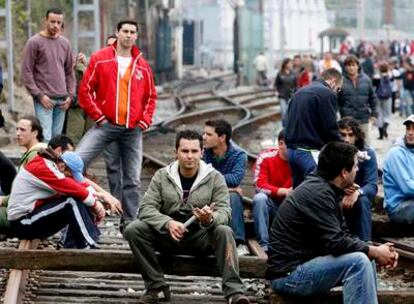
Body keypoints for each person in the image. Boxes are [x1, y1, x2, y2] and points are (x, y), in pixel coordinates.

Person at [124, 130, 250, 304]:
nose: (189, 156)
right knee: (133, 229)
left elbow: (225, 213)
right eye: (184, 151)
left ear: (201, 153)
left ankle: (234, 292)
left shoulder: (215, 178)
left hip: (201, 238)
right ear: (176, 152)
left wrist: (210, 218)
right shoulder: (162, 175)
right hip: (169, 236)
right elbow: (145, 208)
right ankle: (156, 286)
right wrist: (167, 223)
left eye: (194, 151)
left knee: (225, 230)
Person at [268, 142, 398, 304]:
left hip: (304, 265)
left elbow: (343, 236)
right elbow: (336, 242)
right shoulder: (318, 193)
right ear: (344, 172)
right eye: (356, 166)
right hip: (289, 276)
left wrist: (376, 250)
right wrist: (375, 250)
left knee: (365, 255)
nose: (357, 170)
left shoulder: (327, 189)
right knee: (358, 261)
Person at [77, 18, 157, 230]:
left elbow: (151, 97)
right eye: (125, 31)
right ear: (117, 33)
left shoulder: (142, 65)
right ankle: (78, 213)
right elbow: (85, 90)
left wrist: (144, 121)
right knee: (75, 162)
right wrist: (99, 116)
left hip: (132, 129)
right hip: (106, 125)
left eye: (133, 32)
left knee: (133, 179)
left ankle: (129, 223)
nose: (129, 35)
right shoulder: (100, 59)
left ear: (136, 36)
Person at [7, 149, 105, 248]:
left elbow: (80, 185)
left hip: (31, 216)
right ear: (62, 166)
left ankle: (72, 245)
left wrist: (96, 200)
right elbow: (74, 188)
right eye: (69, 175)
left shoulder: (53, 167)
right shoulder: (43, 167)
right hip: (22, 222)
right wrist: (95, 205)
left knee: (78, 198)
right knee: (71, 202)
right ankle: (88, 244)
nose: (69, 178)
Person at [21, 8, 75, 142]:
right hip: (44, 100)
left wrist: (70, 95)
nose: (55, 25)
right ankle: (43, 163)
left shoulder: (65, 43)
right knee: (45, 138)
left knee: (56, 141)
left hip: (63, 100)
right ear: (45, 21)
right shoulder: (34, 42)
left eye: (58, 22)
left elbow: (69, 72)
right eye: (52, 22)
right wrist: (39, 96)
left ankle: (53, 164)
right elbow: (26, 72)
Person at [285, 68, 343, 188]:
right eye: (338, 89)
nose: (337, 92)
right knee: (316, 189)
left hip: (291, 151)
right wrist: (343, 147)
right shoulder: (327, 93)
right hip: (309, 151)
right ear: (333, 81)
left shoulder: (299, 91)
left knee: (299, 194)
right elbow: (330, 128)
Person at [202, 119, 249, 256]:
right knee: (232, 193)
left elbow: (235, 179)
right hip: (205, 193)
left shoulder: (239, 155)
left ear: (222, 137)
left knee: (234, 196)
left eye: (209, 134)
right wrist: (225, 187)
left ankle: (239, 242)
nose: (204, 137)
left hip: (219, 193)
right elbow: (200, 178)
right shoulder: (203, 152)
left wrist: (212, 180)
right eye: (204, 133)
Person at [338, 117, 378, 241]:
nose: (346, 139)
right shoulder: (332, 151)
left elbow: (372, 185)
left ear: (356, 136)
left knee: (363, 200)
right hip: (336, 195)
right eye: (343, 135)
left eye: (350, 135)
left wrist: (357, 192)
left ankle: (366, 243)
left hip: (357, 198)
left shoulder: (367, 153)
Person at [252, 129, 292, 252]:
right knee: (260, 198)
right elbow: (259, 185)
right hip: (272, 206)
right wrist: (282, 191)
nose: (295, 149)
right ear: (280, 144)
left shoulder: (301, 160)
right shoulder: (266, 157)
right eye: (290, 145)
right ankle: (264, 244)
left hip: (292, 207)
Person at [337, 55, 377, 144]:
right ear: (345, 67)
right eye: (348, 65)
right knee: (348, 144)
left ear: (358, 66)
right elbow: (336, 100)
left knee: (365, 144)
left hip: (363, 118)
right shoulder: (341, 81)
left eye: (353, 65)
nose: (351, 68)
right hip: (347, 119)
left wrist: (374, 114)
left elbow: (373, 98)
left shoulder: (366, 80)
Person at [383, 115, 414, 224]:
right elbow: (408, 188)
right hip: (398, 207)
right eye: (408, 128)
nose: (410, 132)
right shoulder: (396, 153)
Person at [372, 62, 393, 140]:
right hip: (388, 97)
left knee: (379, 115)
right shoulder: (390, 75)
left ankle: (381, 135)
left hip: (378, 97)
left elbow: (373, 86)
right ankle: (385, 127)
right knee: (387, 114)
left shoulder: (376, 76)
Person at [274, 59, 296, 125]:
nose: (291, 65)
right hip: (282, 95)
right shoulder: (280, 73)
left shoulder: (293, 74)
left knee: (289, 112)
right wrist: (276, 91)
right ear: (285, 64)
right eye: (289, 63)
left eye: (291, 63)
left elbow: (296, 85)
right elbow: (276, 84)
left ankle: (289, 126)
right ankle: (284, 128)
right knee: (284, 112)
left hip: (291, 95)